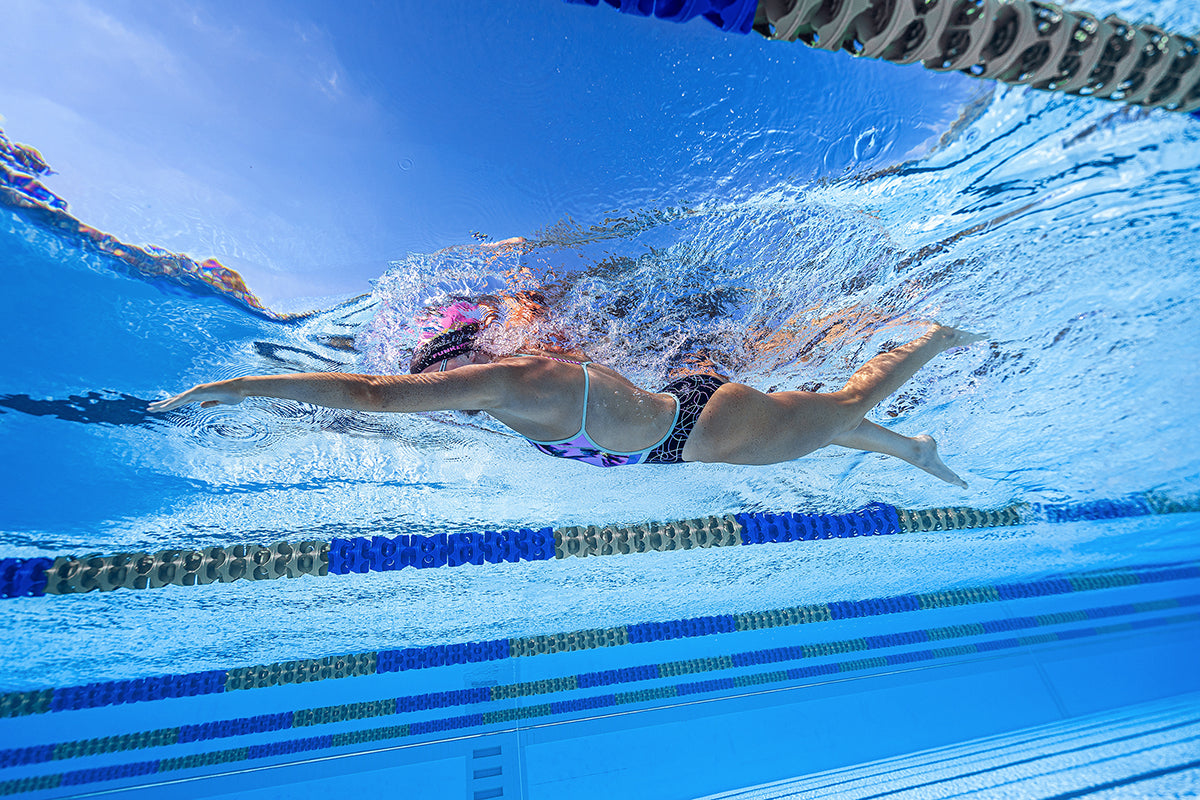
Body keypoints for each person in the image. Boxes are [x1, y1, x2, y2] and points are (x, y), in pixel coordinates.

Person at [149, 313, 986, 487]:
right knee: (823, 427)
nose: (435, 399)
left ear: (460, 367)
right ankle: (915, 452)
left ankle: (932, 340)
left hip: (698, 428)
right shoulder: (515, 391)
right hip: (682, 421)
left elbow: (370, 394)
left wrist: (234, 386)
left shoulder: (516, 385)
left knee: (840, 406)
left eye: (438, 380)